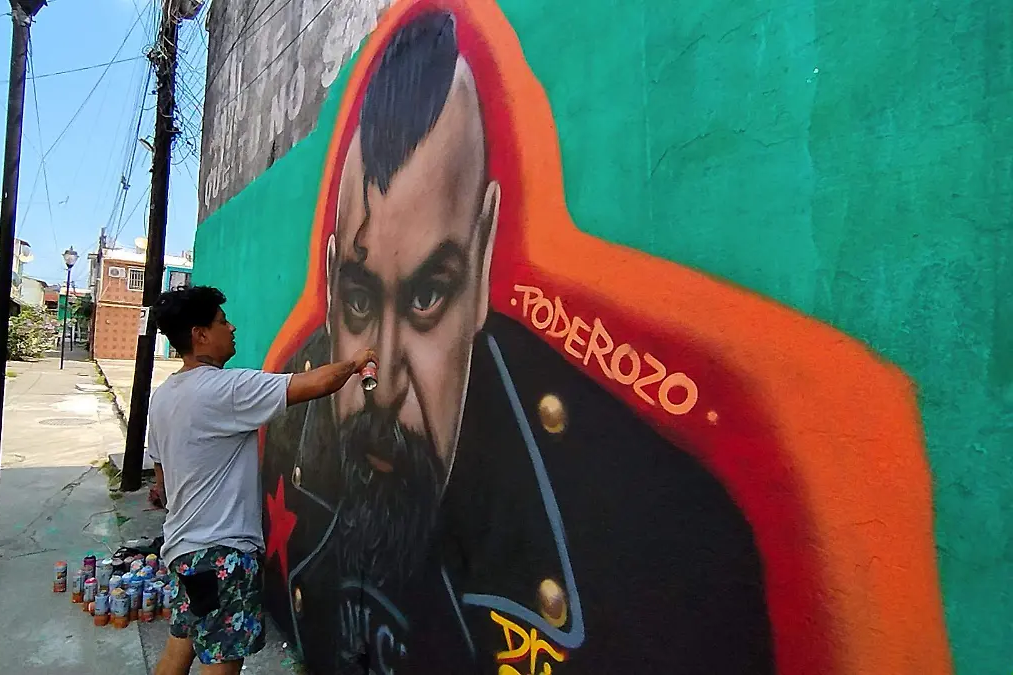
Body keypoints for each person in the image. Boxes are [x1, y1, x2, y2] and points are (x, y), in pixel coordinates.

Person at [260, 7, 774, 675]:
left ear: (479, 270)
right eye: (358, 300)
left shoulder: (674, 540)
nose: (382, 382)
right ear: (330, 282)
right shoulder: (290, 417)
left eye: (425, 297)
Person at [148, 285, 377, 675]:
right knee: (220, 665)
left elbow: (161, 483)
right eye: (222, 322)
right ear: (200, 335)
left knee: (179, 650)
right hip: (222, 556)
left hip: (183, 552)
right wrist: (356, 362)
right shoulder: (226, 389)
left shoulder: (164, 396)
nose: (232, 327)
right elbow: (313, 383)